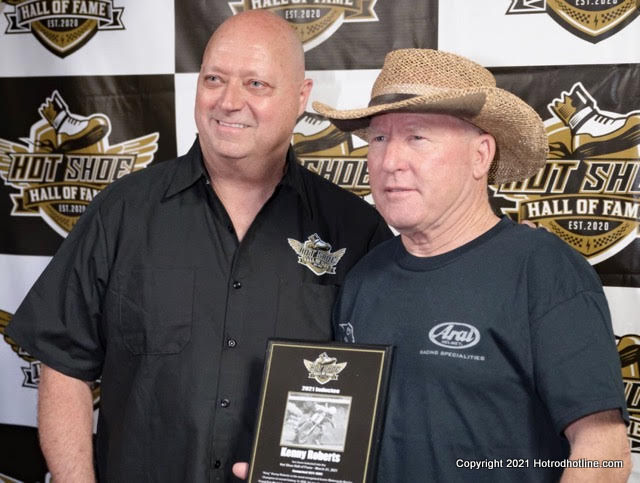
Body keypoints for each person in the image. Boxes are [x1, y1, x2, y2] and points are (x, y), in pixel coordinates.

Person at [5, 11, 391, 482]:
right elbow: (64, 367)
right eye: (214, 79)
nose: (229, 101)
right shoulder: (122, 212)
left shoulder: (354, 230)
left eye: (256, 84)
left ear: (301, 96)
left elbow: (378, 393)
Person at [313, 49, 631, 481]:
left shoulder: (543, 270)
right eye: (379, 140)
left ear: (481, 155)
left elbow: (605, 453)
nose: (389, 162)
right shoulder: (364, 277)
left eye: (417, 137)